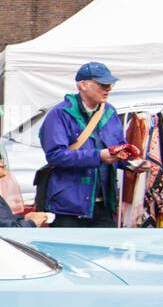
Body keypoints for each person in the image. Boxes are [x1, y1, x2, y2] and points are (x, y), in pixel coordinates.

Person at [38, 61, 135, 228]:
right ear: (83, 85)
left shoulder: (110, 112)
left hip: (103, 206)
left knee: (106, 253)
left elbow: (120, 147)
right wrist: (99, 156)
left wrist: (132, 163)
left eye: (110, 84)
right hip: (69, 208)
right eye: (103, 84)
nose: (109, 88)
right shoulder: (60, 114)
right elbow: (56, 156)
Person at [0, 145, 51, 227]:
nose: (3, 164)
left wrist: (24, 218)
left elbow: (0, 221)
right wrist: (33, 222)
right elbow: (7, 230)